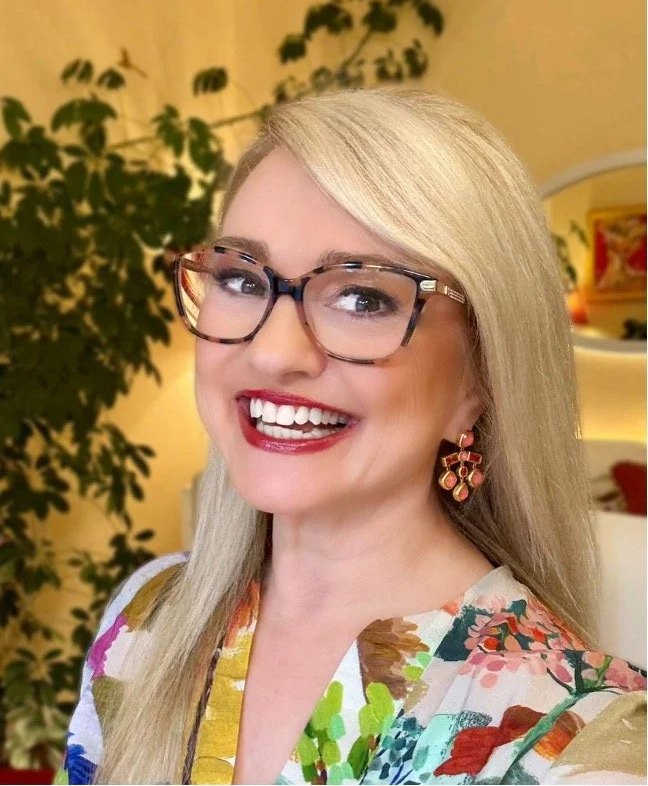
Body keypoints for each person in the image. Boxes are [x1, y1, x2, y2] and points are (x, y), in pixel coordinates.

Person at [55, 87, 646, 786]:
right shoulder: (151, 618)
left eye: (363, 297)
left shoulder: (571, 745)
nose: (274, 352)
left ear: (481, 380)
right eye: (242, 278)